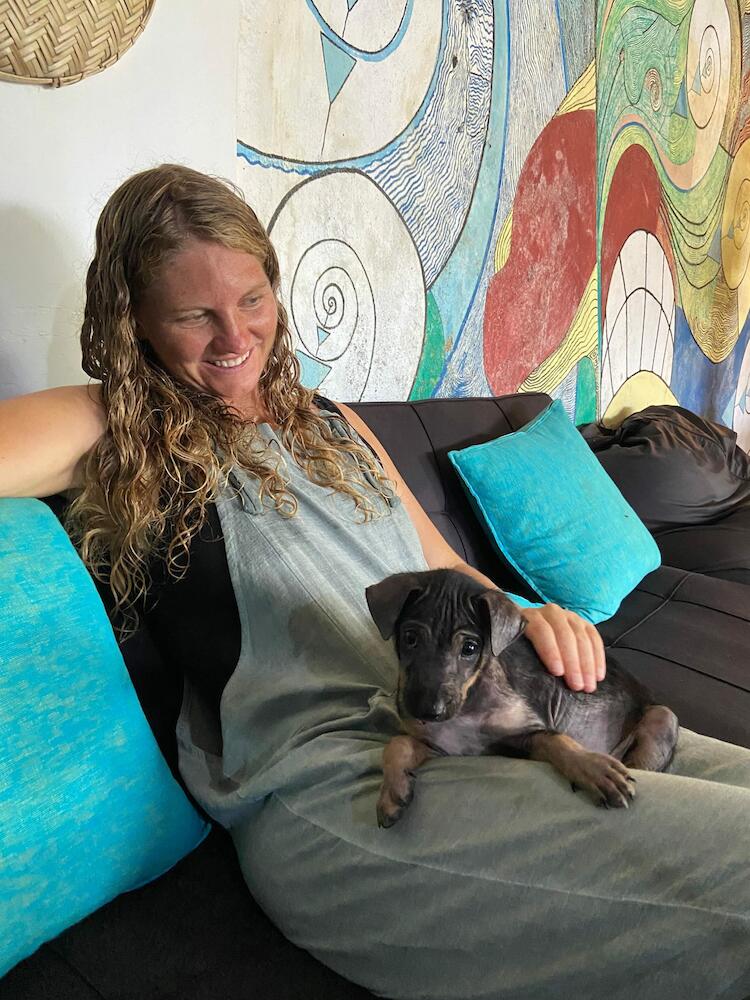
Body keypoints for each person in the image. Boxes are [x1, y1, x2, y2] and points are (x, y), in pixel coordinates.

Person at [0, 164, 748, 1000]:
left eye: (252, 299)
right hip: (345, 788)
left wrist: (537, 614)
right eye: (192, 316)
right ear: (133, 322)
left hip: (491, 721)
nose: (234, 337)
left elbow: (447, 569)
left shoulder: (332, 422)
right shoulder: (111, 428)